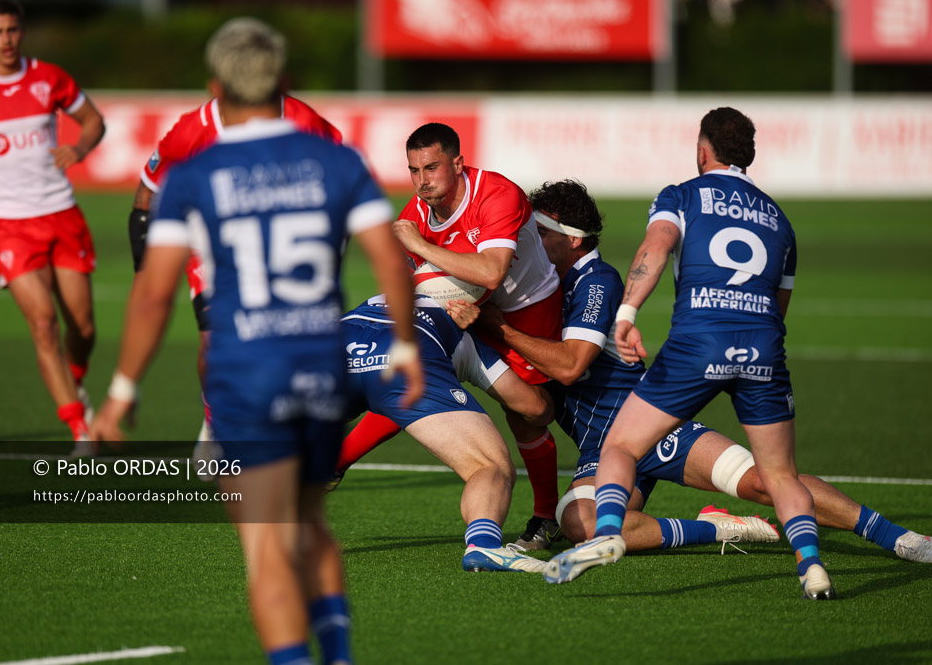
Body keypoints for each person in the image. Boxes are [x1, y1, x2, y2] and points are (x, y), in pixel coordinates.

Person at [89, 18, 421, 664]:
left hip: (247, 369)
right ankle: (340, 653)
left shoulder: (196, 173)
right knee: (311, 522)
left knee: (265, 543)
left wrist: (122, 390)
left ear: (215, 87)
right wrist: (404, 344)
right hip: (321, 365)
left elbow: (155, 293)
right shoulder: (337, 160)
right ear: (286, 83)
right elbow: (387, 257)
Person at [470, 178, 931, 565]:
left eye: (537, 232)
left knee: (762, 481)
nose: (524, 242)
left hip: (648, 423)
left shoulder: (596, 280)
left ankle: (898, 538)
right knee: (582, 525)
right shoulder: (541, 289)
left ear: (571, 239)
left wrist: (500, 329)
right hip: (599, 447)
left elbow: (570, 367)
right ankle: (715, 528)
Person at [543, 108, 835, 599]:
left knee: (621, 446)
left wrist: (627, 313)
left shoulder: (682, 194)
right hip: (763, 349)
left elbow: (655, 249)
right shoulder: (779, 219)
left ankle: (610, 534)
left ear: (704, 151)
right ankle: (812, 566)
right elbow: (776, 308)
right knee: (780, 474)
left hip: (696, 344)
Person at [341, 122, 564, 551]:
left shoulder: (498, 194)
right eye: (413, 170)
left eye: (432, 167)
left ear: (458, 163)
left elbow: (491, 272)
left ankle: (544, 516)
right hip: (463, 313)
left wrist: (421, 249)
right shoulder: (417, 211)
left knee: (529, 415)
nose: (423, 180)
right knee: (412, 381)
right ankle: (337, 461)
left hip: (525, 307)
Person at [128, 77, 342, 445]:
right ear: (218, 86)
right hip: (209, 246)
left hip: (277, 245)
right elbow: (147, 193)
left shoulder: (302, 119)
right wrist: (145, 269)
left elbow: (337, 175)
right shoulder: (191, 130)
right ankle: (215, 421)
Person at [0, 0, 105, 447]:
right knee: (43, 322)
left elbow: (93, 120)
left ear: (21, 32)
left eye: (12, 30)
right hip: (9, 223)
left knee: (83, 327)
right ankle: (79, 429)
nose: (5, 40)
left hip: (62, 214)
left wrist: (81, 149)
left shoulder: (49, 78)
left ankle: (77, 382)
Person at [341, 294, 547, 573]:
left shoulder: (390, 291)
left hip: (339, 339)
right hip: (410, 348)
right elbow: (532, 408)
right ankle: (484, 546)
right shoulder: (464, 328)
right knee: (489, 466)